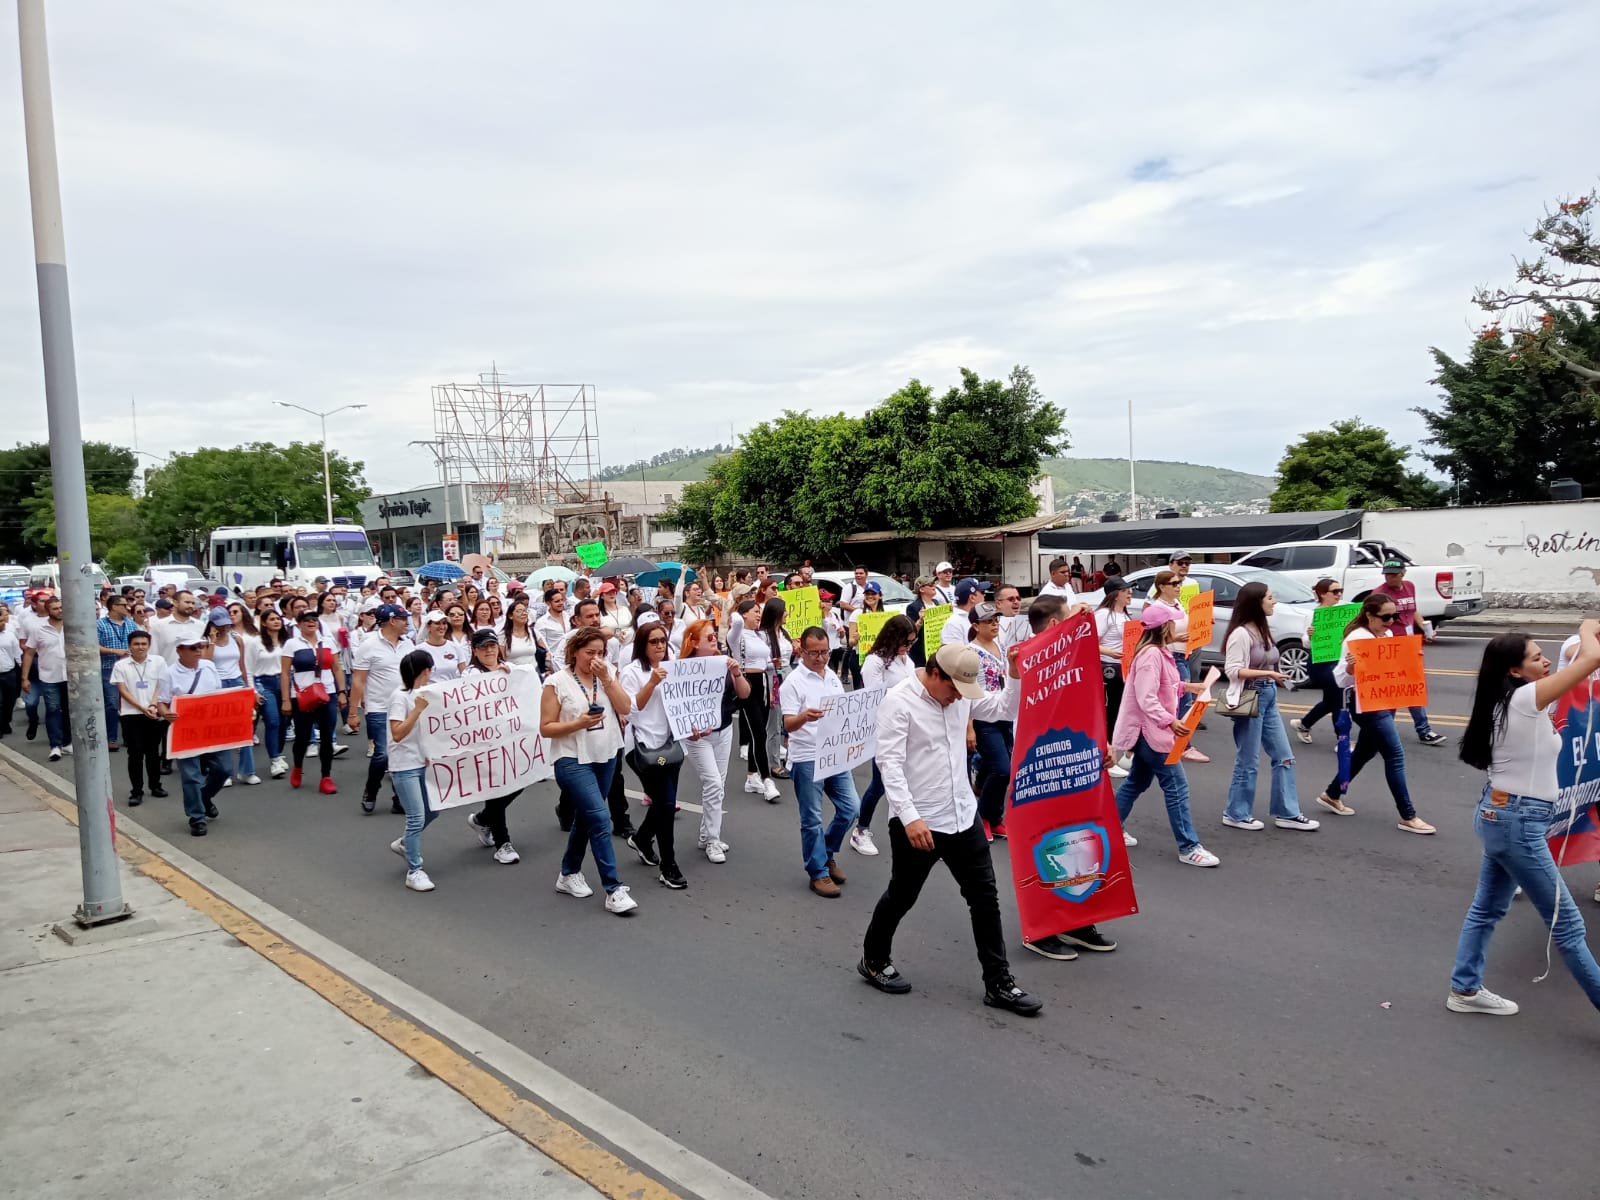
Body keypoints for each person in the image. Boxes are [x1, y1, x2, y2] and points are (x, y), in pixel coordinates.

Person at [857, 643, 1043, 1016]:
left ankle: (999, 983)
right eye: (953, 689)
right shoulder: (899, 700)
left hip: (962, 814)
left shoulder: (960, 695)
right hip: (920, 823)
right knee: (903, 894)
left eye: (964, 692)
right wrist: (909, 817)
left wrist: (1015, 671)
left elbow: (1004, 707)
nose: (958, 698)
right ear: (935, 674)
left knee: (985, 898)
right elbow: (889, 763)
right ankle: (874, 959)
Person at [1447, 620, 1600, 1016]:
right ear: (1515, 670)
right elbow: (1591, 658)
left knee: (1488, 909)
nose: (1547, 661)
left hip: (1504, 814)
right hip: (1516, 821)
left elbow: (1576, 664)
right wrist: (1587, 627)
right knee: (1568, 926)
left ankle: (1464, 990)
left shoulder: (1510, 697)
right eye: (1536, 657)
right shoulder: (1525, 699)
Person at [1111, 602, 1220, 868]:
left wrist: (1187, 686)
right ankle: (1188, 846)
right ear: (1165, 627)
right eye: (1174, 621)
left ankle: (1109, 828)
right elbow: (1146, 697)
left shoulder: (1158, 652)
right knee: (1176, 787)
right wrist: (1170, 722)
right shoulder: (1151, 655)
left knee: (1137, 782)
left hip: (1149, 732)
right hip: (1151, 733)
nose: (1178, 625)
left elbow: (1163, 684)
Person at [1315, 594, 1435, 832]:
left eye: (1395, 616)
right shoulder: (1357, 638)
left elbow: (1391, 668)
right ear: (1369, 615)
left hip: (1385, 701)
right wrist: (1350, 666)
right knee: (1395, 756)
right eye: (1386, 617)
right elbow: (1341, 679)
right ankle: (1408, 816)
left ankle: (1331, 793)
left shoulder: (1387, 634)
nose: (1391, 621)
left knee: (1363, 753)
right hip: (1366, 706)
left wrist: (1411, 658)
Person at [539, 626, 639, 914]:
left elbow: (625, 706)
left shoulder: (606, 673)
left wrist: (608, 678)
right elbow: (547, 728)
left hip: (605, 753)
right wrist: (577, 724)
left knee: (587, 816)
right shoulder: (556, 682)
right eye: (589, 652)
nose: (595, 657)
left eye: (600, 652)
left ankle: (568, 873)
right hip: (571, 758)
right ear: (575, 652)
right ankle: (614, 888)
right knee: (599, 817)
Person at [1219, 583, 1319, 833]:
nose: (1274, 602)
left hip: (1269, 694)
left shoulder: (1264, 630)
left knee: (1284, 756)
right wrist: (1266, 673)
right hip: (1251, 695)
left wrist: (1275, 674)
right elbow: (1232, 670)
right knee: (1248, 759)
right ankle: (1236, 813)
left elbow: (1270, 660)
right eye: (1270, 598)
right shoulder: (1241, 634)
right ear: (1256, 603)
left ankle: (1287, 812)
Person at [782, 627, 860, 897]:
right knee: (812, 818)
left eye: (825, 652)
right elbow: (788, 725)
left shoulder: (832, 678)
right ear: (802, 651)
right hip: (806, 756)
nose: (820, 658)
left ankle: (826, 852)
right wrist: (805, 716)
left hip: (834, 753)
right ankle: (817, 872)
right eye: (814, 653)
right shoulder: (793, 682)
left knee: (851, 808)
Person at [621, 620, 692, 888]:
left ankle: (641, 839)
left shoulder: (672, 668)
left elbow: (683, 704)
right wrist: (651, 682)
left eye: (663, 640)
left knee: (666, 802)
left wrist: (692, 726)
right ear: (643, 645)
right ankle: (668, 865)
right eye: (654, 641)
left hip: (671, 747)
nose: (660, 645)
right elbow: (630, 710)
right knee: (664, 805)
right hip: (644, 749)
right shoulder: (632, 672)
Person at [678, 618, 750, 865]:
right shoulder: (683, 669)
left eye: (715, 636)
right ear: (694, 642)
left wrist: (736, 673)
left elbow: (744, 693)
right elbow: (677, 707)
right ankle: (712, 839)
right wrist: (687, 729)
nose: (714, 640)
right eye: (709, 637)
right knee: (713, 784)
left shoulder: (723, 664)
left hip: (724, 729)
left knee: (718, 783)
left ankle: (705, 835)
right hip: (698, 737)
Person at [458, 629, 527, 864]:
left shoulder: (510, 669)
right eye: (484, 647)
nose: (489, 650)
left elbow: (527, 687)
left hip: (511, 739)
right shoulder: (470, 675)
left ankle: (482, 819)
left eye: (492, 646)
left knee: (520, 781)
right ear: (475, 651)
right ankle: (503, 843)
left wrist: (510, 675)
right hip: (485, 743)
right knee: (496, 790)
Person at [849, 614, 916, 857]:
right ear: (893, 638)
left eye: (911, 643)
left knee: (912, 780)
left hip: (908, 727)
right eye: (905, 642)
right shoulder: (875, 662)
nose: (908, 647)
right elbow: (874, 699)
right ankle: (861, 830)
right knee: (880, 783)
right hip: (885, 729)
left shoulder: (904, 659)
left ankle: (912, 827)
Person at [157, 631, 230, 836]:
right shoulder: (169, 673)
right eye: (193, 647)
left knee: (223, 769)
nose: (198, 650)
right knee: (191, 776)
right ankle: (196, 817)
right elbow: (161, 702)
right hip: (185, 730)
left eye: (200, 646)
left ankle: (204, 797)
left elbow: (219, 694)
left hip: (212, 729)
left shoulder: (209, 667)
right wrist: (166, 713)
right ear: (180, 650)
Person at [1373, 559, 1450, 748]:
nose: (1389, 577)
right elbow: (1372, 621)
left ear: (1403, 573)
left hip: (1410, 644)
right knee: (1394, 689)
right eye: (1386, 574)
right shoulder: (1380, 594)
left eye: (1393, 574)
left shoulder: (1409, 587)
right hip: (1391, 645)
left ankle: (1423, 730)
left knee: (1412, 688)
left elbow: (1413, 610)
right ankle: (1386, 730)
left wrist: (1425, 627)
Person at [348, 603, 413, 815]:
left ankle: (399, 797)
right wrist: (353, 712)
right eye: (403, 619)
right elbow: (358, 680)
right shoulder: (369, 644)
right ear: (392, 621)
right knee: (383, 754)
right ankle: (372, 788)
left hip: (403, 706)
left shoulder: (408, 644)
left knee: (401, 753)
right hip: (378, 706)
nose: (407, 623)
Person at [280, 609, 345, 794]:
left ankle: (326, 776)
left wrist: (341, 692)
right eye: (306, 620)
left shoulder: (328, 642)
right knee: (302, 736)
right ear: (299, 624)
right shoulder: (291, 644)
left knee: (326, 736)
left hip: (327, 692)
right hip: (302, 695)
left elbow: (337, 668)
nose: (311, 622)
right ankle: (298, 766)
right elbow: (285, 673)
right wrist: (285, 699)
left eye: (314, 619)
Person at [1147, 568, 1208, 764]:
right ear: (1162, 587)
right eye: (1174, 584)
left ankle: (1174, 742)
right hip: (1171, 655)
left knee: (1177, 699)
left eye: (1179, 583)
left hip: (1183, 654)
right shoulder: (1159, 608)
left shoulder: (1176, 604)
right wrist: (1175, 637)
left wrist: (1203, 623)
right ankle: (1183, 745)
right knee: (1183, 700)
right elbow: (1153, 635)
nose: (1178, 587)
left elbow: (1184, 623)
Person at [966, 602, 1012, 840]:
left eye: (996, 620)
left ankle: (995, 818)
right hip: (983, 717)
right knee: (1002, 769)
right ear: (975, 625)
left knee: (1002, 765)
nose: (995, 624)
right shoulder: (971, 654)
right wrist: (970, 726)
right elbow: (968, 693)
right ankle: (983, 816)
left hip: (1003, 714)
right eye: (988, 621)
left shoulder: (1000, 645)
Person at [111, 628, 167, 805]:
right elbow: (123, 690)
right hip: (131, 714)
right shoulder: (121, 665)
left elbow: (161, 685)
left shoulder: (158, 661)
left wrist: (152, 705)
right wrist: (142, 707)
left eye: (144, 644)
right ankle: (136, 791)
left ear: (149, 645)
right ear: (130, 646)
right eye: (136, 644)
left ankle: (155, 785)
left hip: (153, 712)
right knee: (134, 753)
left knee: (153, 752)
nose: (140, 647)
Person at [205, 607, 261, 786]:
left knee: (244, 727)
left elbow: (242, 665)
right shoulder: (206, 641)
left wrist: (248, 688)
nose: (224, 628)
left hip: (236, 682)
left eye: (227, 624)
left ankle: (247, 770)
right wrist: (213, 640)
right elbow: (205, 663)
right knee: (222, 729)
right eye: (220, 625)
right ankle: (223, 771)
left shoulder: (237, 639)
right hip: (218, 684)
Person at [1289, 578, 1347, 744]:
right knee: (1338, 698)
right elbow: (1305, 642)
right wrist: (1310, 635)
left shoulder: (1343, 612)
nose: (1339, 594)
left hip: (1338, 661)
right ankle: (1342, 739)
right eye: (1335, 591)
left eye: (1340, 590)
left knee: (1330, 701)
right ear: (1323, 594)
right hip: (1320, 664)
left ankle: (1304, 724)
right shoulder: (1313, 614)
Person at [20, 597, 71, 760]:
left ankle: (67, 743)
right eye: (55, 608)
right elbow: (29, 653)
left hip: (70, 676)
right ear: (48, 610)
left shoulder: (71, 627)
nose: (60, 610)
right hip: (49, 677)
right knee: (53, 710)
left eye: (61, 607)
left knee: (69, 711)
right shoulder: (38, 629)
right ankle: (55, 745)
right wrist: (24, 678)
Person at [1095, 578, 1134, 778]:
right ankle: (1109, 759)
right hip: (1108, 669)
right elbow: (1089, 641)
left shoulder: (1125, 615)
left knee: (1122, 712)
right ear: (1114, 593)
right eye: (1125, 590)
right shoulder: (1104, 615)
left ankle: (1125, 752)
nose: (1129, 593)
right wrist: (1109, 652)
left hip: (1124, 668)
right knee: (1111, 713)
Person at [252, 608, 291, 778]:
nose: (276, 621)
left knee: (284, 720)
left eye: (278, 618)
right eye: (272, 619)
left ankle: (278, 752)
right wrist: (255, 689)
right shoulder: (256, 642)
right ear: (264, 622)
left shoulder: (287, 642)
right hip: (264, 682)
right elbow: (249, 667)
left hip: (284, 682)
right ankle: (274, 760)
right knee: (272, 720)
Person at [97, 593, 136, 751]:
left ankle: (129, 737)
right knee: (112, 704)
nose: (127, 608)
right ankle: (111, 738)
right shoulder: (100, 624)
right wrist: (115, 651)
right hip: (109, 668)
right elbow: (93, 646)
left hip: (130, 668)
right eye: (123, 605)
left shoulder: (131, 624)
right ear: (113, 607)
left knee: (130, 703)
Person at [844, 580, 885, 689]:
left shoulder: (884, 615)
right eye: (867, 594)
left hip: (880, 657)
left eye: (873, 594)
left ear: (880, 596)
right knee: (861, 691)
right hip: (860, 657)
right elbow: (851, 642)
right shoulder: (857, 613)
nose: (870, 596)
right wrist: (856, 638)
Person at [415, 610, 464, 681]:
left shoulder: (455, 647)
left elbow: (464, 673)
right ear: (428, 626)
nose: (442, 627)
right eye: (437, 623)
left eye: (444, 623)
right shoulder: (419, 650)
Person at [904, 575, 939, 669]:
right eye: (930, 584)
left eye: (934, 584)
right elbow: (911, 633)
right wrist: (920, 620)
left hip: (936, 649)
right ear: (922, 589)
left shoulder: (937, 603)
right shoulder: (913, 607)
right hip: (921, 653)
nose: (933, 586)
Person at [942, 578, 986, 650]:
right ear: (972, 598)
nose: (984, 595)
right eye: (982, 592)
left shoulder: (977, 616)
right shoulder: (953, 624)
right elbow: (954, 656)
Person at [0, 604, 21, 739]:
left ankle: (6, 721)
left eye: (3, 620)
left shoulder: (9, 634)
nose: (3, 623)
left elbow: (16, 653)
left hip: (9, 673)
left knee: (10, 700)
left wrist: (22, 671)